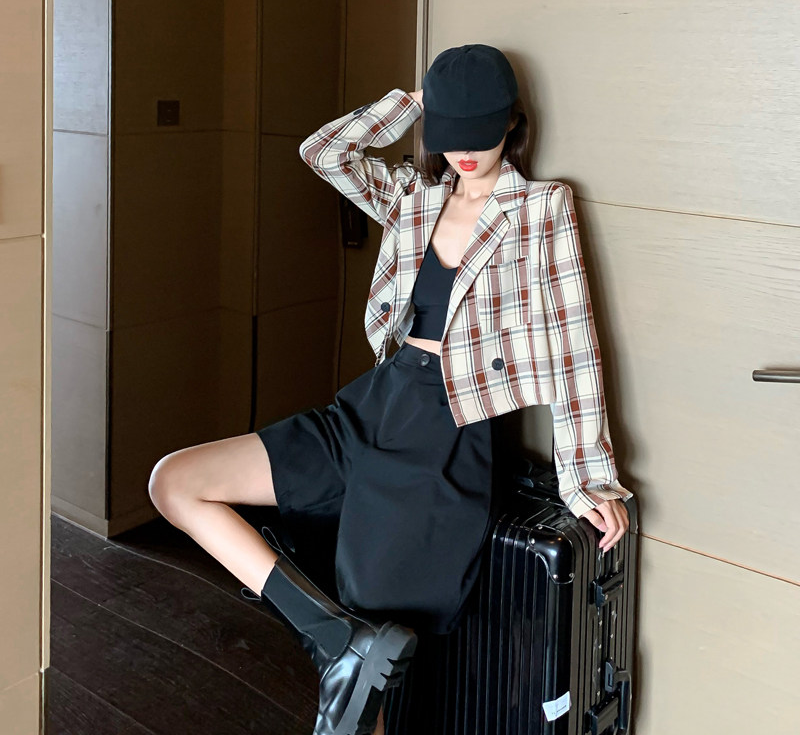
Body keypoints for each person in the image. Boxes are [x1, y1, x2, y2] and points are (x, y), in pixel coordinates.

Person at [147, 44, 633, 735]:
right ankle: (334, 638)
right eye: (451, 133)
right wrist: (416, 104)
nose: (465, 152)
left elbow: (573, 341)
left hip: (446, 434)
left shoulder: (539, 208)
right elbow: (324, 152)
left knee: (369, 682)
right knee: (176, 482)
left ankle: (348, 645)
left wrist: (587, 476)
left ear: (511, 122)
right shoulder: (414, 196)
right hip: (373, 404)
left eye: (480, 132)